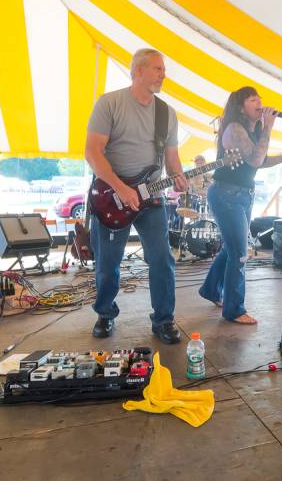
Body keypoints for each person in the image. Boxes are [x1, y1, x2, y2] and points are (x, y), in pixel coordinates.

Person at [84, 48, 188, 343]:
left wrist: (179, 176)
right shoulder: (110, 104)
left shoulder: (166, 113)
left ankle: (164, 320)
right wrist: (121, 187)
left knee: (162, 258)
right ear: (137, 71)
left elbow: (172, 158)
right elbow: (92, 152)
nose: (163, 75)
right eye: (157, 69)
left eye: (163, 70)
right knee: (108, 263)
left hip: (151, 198)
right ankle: (105, 314)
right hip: (111, 196)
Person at [198, 87, 282, 324]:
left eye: (260, 99)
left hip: (243, 194)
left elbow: (259, 161)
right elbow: (255, 158)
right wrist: (268, 127)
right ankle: (234, 310)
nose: (260, 103)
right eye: (253, 99)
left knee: (231, 249)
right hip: (226, 194)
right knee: (240, 253)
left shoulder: (252, 130)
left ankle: (211, 290)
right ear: (241, 107)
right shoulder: (234, 129)